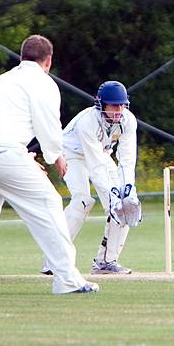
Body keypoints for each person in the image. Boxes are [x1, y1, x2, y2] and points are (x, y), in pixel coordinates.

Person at [0, 35, 98, 294]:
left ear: (22, 57)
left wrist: (21, 157)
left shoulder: (4, 80)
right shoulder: (43, 83)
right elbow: (47, 125)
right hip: (0, 152)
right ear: (48, 60)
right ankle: (68, 280)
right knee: (49, 202)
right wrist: (55, 155)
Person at [41, 80, 141, 276]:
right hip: (72, 154)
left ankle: (106, 261)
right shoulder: (88, 122)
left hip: (102, 154)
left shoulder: (128, 120)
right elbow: (96, 167)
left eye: (121, 105)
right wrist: (111, 192)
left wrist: (128, 188)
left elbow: (127, 158)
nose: (118, 110)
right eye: (114, 105)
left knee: (123, 205)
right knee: (82, 201)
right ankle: (53, 260)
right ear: (101, 104)